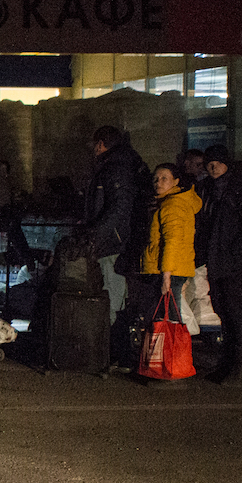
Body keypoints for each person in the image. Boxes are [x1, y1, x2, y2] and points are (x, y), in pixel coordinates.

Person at [196, 145, 242, 385]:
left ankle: (240, 365)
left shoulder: (240, 190)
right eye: (209, 163)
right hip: (216, 260)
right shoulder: (207, 189)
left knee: (237, 313)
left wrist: (234, 253)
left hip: (233, 263)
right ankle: (228, 363)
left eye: (217, 162)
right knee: (224, 312)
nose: (213, 167)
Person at [82, 125, 150, 357]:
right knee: (112, 294)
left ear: (101, 144)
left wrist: (95, 235)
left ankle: (110, 351)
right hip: (114, 241)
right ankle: (112, 350)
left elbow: (118, 209)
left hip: (113, 244)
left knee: (111, 296)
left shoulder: (115, 168)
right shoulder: (120, 165)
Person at [126, 163, 200, 358]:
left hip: (167, 270)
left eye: (164, 178)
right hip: (173, 268)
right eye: (156, 179)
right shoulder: (173, 202)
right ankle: (168, 362)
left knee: (167, 317)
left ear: (176, 181)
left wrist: (166, 275)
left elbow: (172, 241)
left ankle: (170, 363)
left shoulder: (172, 205)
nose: (158, 183)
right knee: (167, 316)